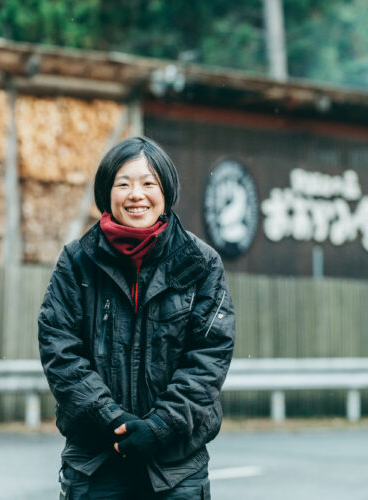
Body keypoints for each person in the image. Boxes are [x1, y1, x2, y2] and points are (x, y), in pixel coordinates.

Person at [38, 136, 235, 499]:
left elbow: (209, 357)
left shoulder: (201, 263)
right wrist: (110, 419)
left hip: (177, 467)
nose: (136, 195)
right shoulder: (77, 262)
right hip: (95, 462)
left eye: (148, 183)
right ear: (106, 192)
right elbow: (60, 351)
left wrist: (160, 427)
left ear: (166, 191)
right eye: (124, 184)